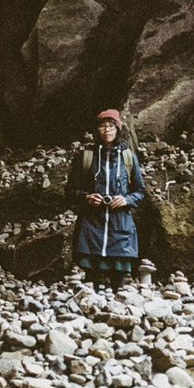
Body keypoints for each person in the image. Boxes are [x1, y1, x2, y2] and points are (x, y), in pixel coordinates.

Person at [65, 109, 145, 286]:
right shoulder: (86, 157)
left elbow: (139, 191)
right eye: (102, 126)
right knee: (91, 277)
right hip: (92, 224)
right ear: (97, 130)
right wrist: (87, 197)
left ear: (118, 129)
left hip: (120, 224)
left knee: (119, 278)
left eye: (111, 126)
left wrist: (126, 200)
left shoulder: (128, 158)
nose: (106, 130)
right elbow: (70, 190)